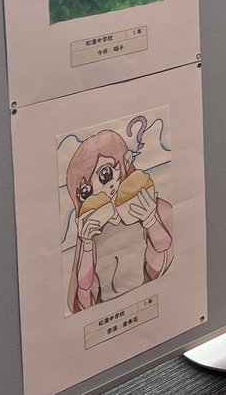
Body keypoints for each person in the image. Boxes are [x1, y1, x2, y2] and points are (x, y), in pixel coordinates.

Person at [66, 129, 173, 314]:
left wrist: (150, 219)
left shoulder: (141, 208)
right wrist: (86, 243)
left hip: (145, 291)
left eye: (105, 174)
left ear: (126, 161)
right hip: (104, 306)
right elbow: (84, 284)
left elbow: (164, 246)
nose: (98, 190)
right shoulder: (93, 230)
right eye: (86, 191)